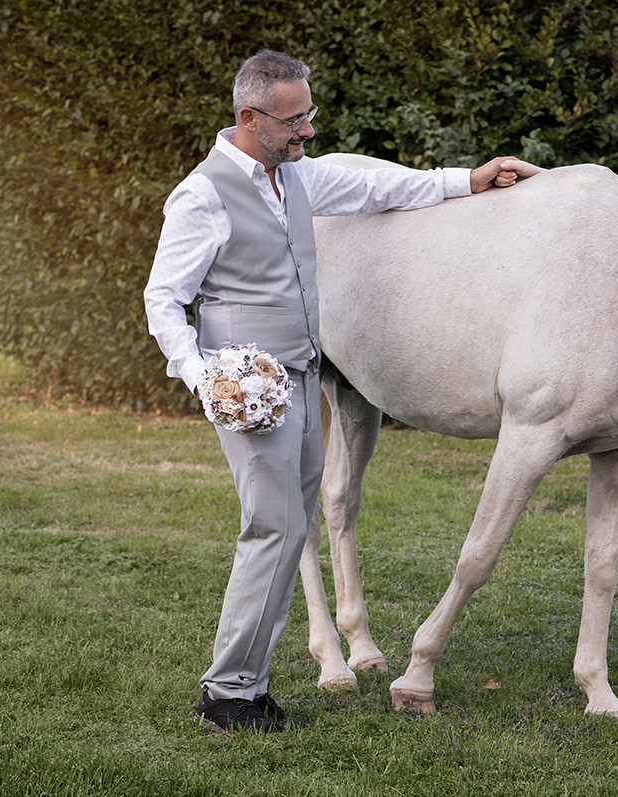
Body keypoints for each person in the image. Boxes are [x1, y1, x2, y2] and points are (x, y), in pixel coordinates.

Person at [143, 49, 527, 734]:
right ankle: (228, 691)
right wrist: (204, 375)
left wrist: (470, 179)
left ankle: (247, 683)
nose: (307, 132)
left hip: (301, 374)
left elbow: (384, 191)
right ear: (248, 117)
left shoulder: (297, 178)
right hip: (250, 389)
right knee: (274, 527)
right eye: (294, 121)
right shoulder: (202, 195)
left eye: (308, 115)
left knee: (291, 526)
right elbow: (163, 298)